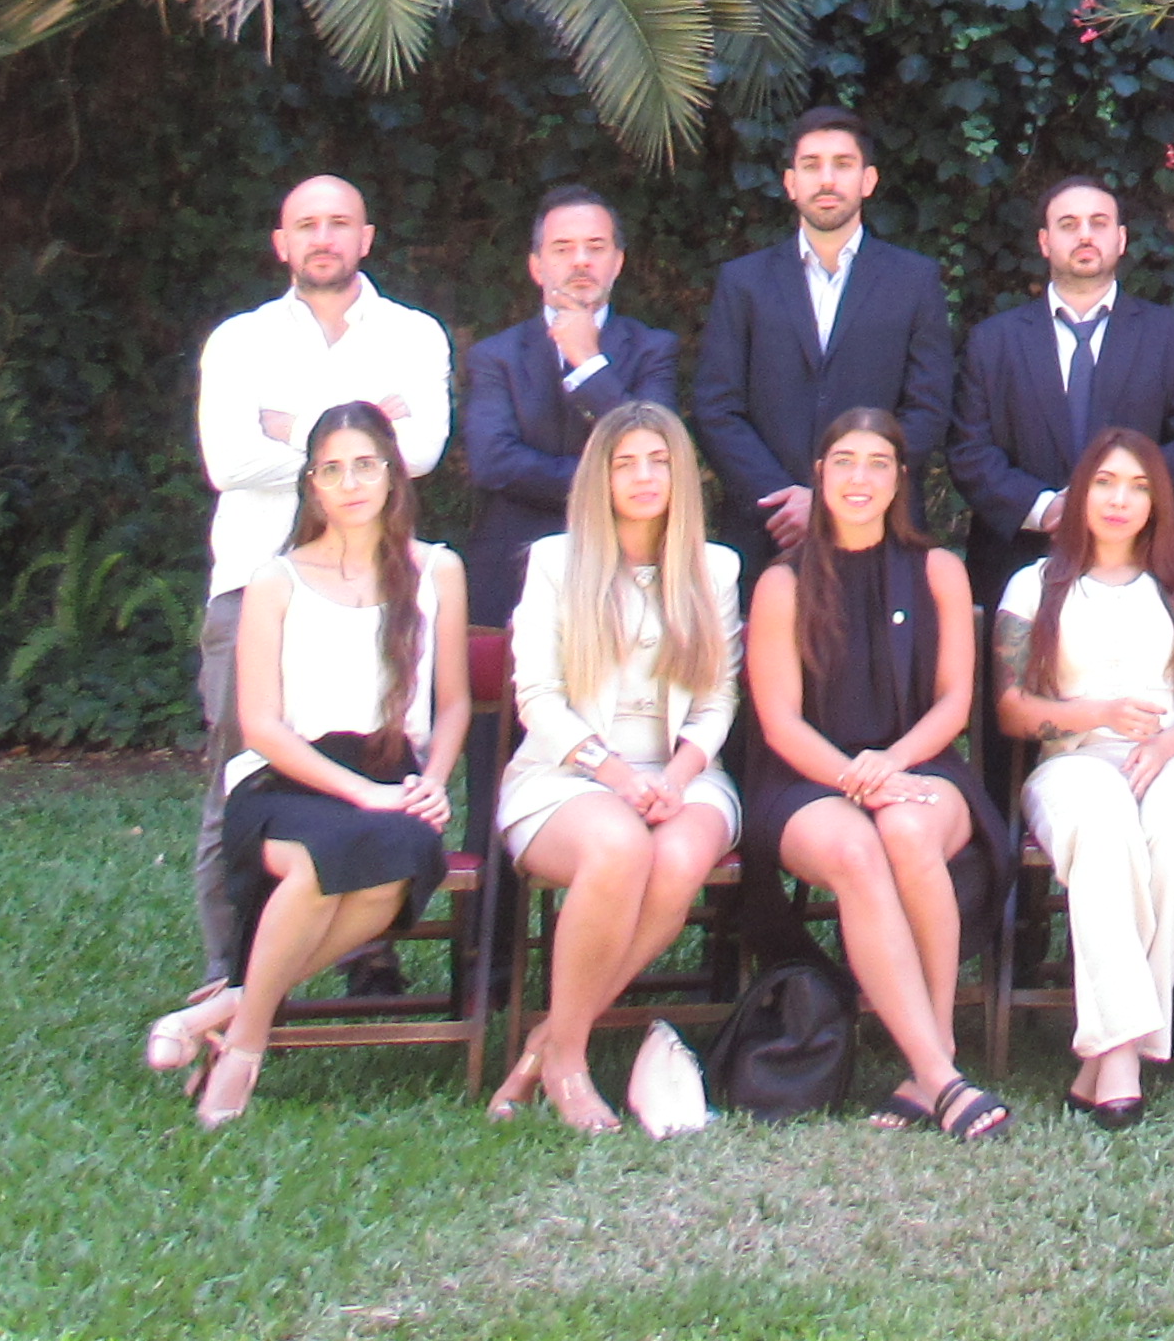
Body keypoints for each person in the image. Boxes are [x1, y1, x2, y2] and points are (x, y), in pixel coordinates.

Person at [149, 402, 471, 1126]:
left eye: (365, 465)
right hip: (287, 780)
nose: (350, 483)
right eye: (332, 470)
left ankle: (232, 1008)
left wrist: (431, 782)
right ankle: (246, 1049)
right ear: (312, 486)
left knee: (397, 859)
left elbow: (453, 704)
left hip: (392, 772)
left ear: (392, 474)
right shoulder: (276, 579)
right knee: (320, 862)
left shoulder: (437, 570)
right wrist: (363, 794)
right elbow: (260, 724)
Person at [182, 174, 454, 992]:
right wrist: (362, 429)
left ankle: (365, 952)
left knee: (376, 753)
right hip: (252, 586)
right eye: (307, 225)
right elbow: (228, 462)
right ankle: (229, 971)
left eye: (340, 223)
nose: (323, 237)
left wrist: (289, 425)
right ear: (282, 243)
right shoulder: (239, 341)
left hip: (377, 588)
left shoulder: (414, 334)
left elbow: (424, 450)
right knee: (238, 772)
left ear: (366, 238)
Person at [739, 407, 1014, 1138]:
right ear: (819, 474)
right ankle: (941, 1077)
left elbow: (954, 701)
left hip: (919, 759)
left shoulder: (938, 570)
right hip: (806, 777)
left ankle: (936, 1051)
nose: (859, 478)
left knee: (907, 831)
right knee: (859, 848)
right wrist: (854, 778)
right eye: (845, 462)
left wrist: (891, 764)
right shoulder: (782, 583)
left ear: (899, 480)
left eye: (878, 464)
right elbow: (780, 723)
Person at [486, 404, 741, 1132]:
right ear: (598, 478)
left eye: (658, 461)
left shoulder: (716, 568)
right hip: (567, 770)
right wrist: (618, 777)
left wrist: (677, 777)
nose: (643, 477)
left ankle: (545, 1046)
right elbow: (537, 697)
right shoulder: (555, 562)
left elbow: (718, 699)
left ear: (682, 474)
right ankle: (569, 1063)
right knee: (620, 846)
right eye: (624, 463)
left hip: (684, 770)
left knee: (678, 857)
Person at [991, 432, 1174, 1124]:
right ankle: (1125, 1052)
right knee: (1103, 822)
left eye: (1138, 487)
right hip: (1073, 762)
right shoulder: (1035, 584)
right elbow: (1011, 709)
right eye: (1105, 483)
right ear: (1080, 493)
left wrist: (1168, 745)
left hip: (1171, 754)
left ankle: (1109, 1051)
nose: (1120, 499)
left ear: (1158, 502)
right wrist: (1096, 714)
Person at [691, 111, 960, 556]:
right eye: (811, 165)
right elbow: (716, 407)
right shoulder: (743, 282)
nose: (827, 179)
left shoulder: (914, 281)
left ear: (868, 180)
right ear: (790, 182)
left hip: (881, 529)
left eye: (843, 164)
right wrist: (782, 499)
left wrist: (838, 498)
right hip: (769, 528)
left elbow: (928, 407)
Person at [946, 174, 1174, 603]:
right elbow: (969, 450)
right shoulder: (993, 341)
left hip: (1140, 566)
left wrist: (1117, 503)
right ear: (1044, 242)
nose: (1085, 235)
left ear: (1121, 239)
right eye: (1068, 224)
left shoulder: (1170, 336)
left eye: (1099, 223)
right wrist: (1047, 509)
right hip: (1017, 563)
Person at [461, 185, 677, 631]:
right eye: (562, 248)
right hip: (512, 569)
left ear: (618, 261)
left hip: (627, 564)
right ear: (536, 266)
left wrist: (590, 364)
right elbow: (493, 462)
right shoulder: (495, 357)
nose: (581, 260)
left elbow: (655, 450)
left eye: (595, 247)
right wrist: (610, 480)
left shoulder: (653, 350)